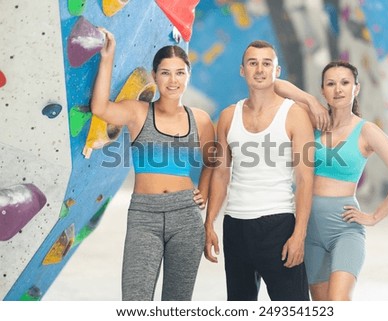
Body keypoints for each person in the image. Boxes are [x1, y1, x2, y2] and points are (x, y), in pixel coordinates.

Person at [274, 60, 388, 300]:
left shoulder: (366, 131)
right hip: (308, 229)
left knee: (338, 302)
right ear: (323, 90)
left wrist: (374, 216)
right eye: (330, 83)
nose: (338, 89)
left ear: (356, 88)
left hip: (344, 229)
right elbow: (274, 84)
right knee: (322, 307)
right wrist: (310, 101)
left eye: (344, 83)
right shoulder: (313, 121)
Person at [90, 29, 215, 301]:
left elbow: (213, 163)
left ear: (188, 76)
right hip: (144, 216)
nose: (173, 80)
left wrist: (203, 190)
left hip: (186, 218)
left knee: (177, 304)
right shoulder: (137, 113)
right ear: (155, 76)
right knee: (135, 301)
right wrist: (107, 58)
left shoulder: (201, 120)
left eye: (180, 73)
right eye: (166, 73)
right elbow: (100, 108)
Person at [204, 40, 322, 301]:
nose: (259, 69)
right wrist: (209, 222)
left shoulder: (294, 115)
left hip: (278, 224)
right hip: (235, 226)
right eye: (252, 63)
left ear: (276, 71)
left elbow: (305, 179)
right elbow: (221, 173)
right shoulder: (228, 116)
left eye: (266, 63)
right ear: (242, 70)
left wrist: (299, 234)